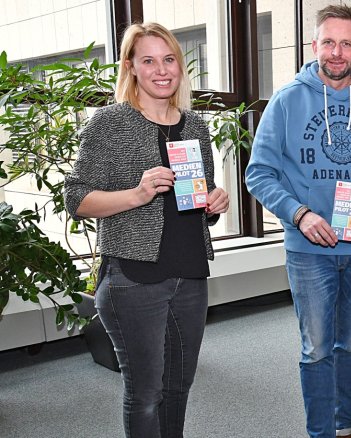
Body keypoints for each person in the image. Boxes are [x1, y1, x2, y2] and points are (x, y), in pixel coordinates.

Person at [244, 4, 351, 438]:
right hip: (308, 248)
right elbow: (258, 174)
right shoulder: (286, 101)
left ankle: (344, 425)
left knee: (350, 345)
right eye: (329, 42)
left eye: (346, 43)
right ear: (313, 44)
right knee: (317, 348)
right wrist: (298, 214)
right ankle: (321, 432)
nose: (337, 52)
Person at [63, 22, 229, 438]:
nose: (161, 70)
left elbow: (198, 198)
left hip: (191, 274)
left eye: (169, 59)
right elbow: (76, 199)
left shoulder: (196, 126)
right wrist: (136, 195)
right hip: (133, 278)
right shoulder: (109, 123)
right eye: (149, 61)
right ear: (131, 67)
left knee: (179, 387)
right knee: (146, 394)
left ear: (180, 65)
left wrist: (214, 202)